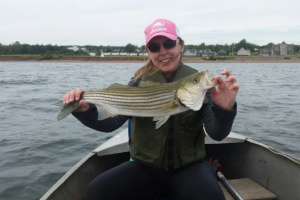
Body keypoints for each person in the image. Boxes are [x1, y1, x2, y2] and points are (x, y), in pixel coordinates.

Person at [62, 19, 239, 200]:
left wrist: (225, 109)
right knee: (97, 191)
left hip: (189, 167)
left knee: (212, 197)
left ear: (181, 45)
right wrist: (84, 111)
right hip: (144, 167)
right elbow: (110, 123)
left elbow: (216, 133)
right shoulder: (139, 82)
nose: (163, 51)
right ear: (148, 51)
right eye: (154, 47)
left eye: (169, 44)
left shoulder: (198, 85)